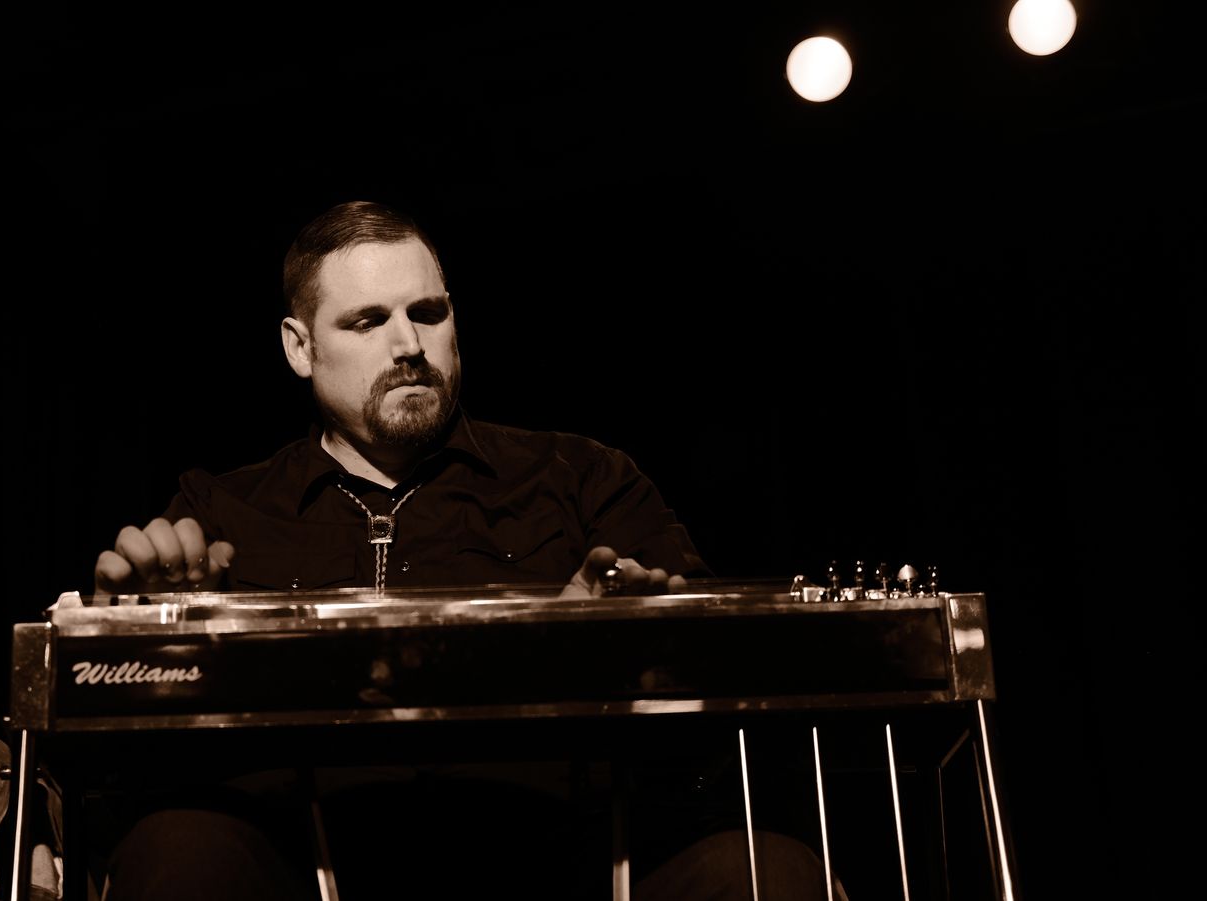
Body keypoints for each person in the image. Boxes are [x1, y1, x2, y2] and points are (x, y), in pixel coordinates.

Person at [90, 201, 838, 900]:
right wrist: (133, 636)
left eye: (428, 313)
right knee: (177, 849)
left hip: (558, 854)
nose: (409, 346)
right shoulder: (220, 509)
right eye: (367, 321)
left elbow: (715, 712)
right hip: (301, 860)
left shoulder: (583, 479)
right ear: (300, 347)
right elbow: (134, 756)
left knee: (766, 872)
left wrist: (617, 646)